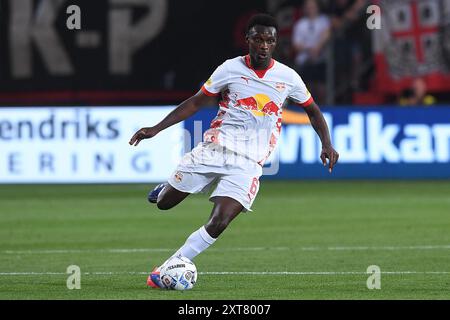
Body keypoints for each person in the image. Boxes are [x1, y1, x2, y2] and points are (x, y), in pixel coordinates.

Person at [129, 13, 339, 289]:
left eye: (270, 40)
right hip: (214, 150)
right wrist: (156, 128)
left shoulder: (288, 77)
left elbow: (312, 110)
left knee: (220, 221)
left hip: (249, 163)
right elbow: (195, 103)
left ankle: (169, 268)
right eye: (259, 39)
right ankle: (165, 187)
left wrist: (326, 142)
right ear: (248, 40)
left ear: (275, 43)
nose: (264, 45)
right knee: (165, 203)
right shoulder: (229, 69)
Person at [291, 0, 331, 104]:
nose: (310, 9)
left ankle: (323, 109)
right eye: (308, 7)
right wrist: (310, 50)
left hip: (320, 59)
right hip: (304, 61)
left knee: (321, 88)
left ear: (317, 7)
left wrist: (318, 48)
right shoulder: (300, 24)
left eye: (312, 6)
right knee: (306, 89)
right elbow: (296, 45)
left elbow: (326, 34)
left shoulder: (324, 20)